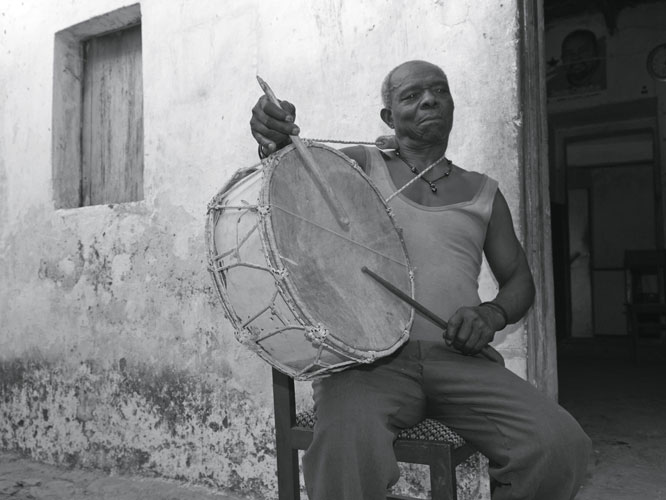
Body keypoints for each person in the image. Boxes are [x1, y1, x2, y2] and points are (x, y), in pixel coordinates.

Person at [250, 60, 591, 500]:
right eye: (411, 96)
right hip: (368, 362)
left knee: (558, 444)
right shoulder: (357, 166)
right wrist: (273, 138)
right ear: (388, 117)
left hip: (460, 360)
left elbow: (520, 282)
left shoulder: (483, 191)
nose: (429, 99)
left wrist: (491, 313)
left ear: (451, 105)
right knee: (344, 455)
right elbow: (291, 176)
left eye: (439, 91)